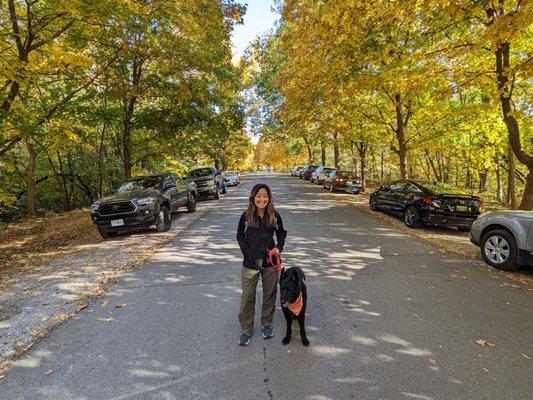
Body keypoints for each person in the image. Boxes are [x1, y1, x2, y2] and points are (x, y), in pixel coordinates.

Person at [236, 183, 287, 346]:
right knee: (247, 298)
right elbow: (239, 236)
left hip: (269, 263)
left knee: (269, 294)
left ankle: (266, 323)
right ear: (253, 197)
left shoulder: (274, 215)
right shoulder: (246, 216)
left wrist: (278, 248)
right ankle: (246, 330)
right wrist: (247, 253)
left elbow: (281, 233)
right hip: (250, 264)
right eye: (259, 195)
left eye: (265, 196)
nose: (262, 199)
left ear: (269, 198)